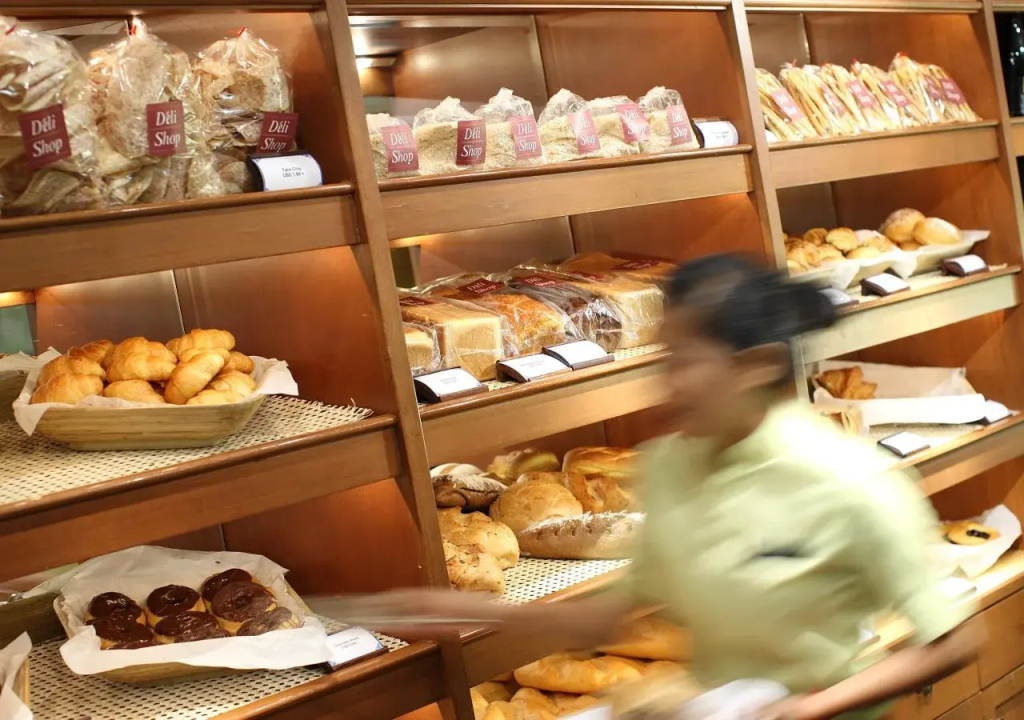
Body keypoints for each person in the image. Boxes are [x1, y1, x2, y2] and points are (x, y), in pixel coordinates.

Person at [363, 254, 980, 719]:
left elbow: (955, 639)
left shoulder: (849, 480)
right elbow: (613, 615)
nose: (668, 385)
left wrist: (806, 709)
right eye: (666, 360)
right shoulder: (671, 466)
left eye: (686, 363)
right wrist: (470, 613)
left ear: (756, 366)